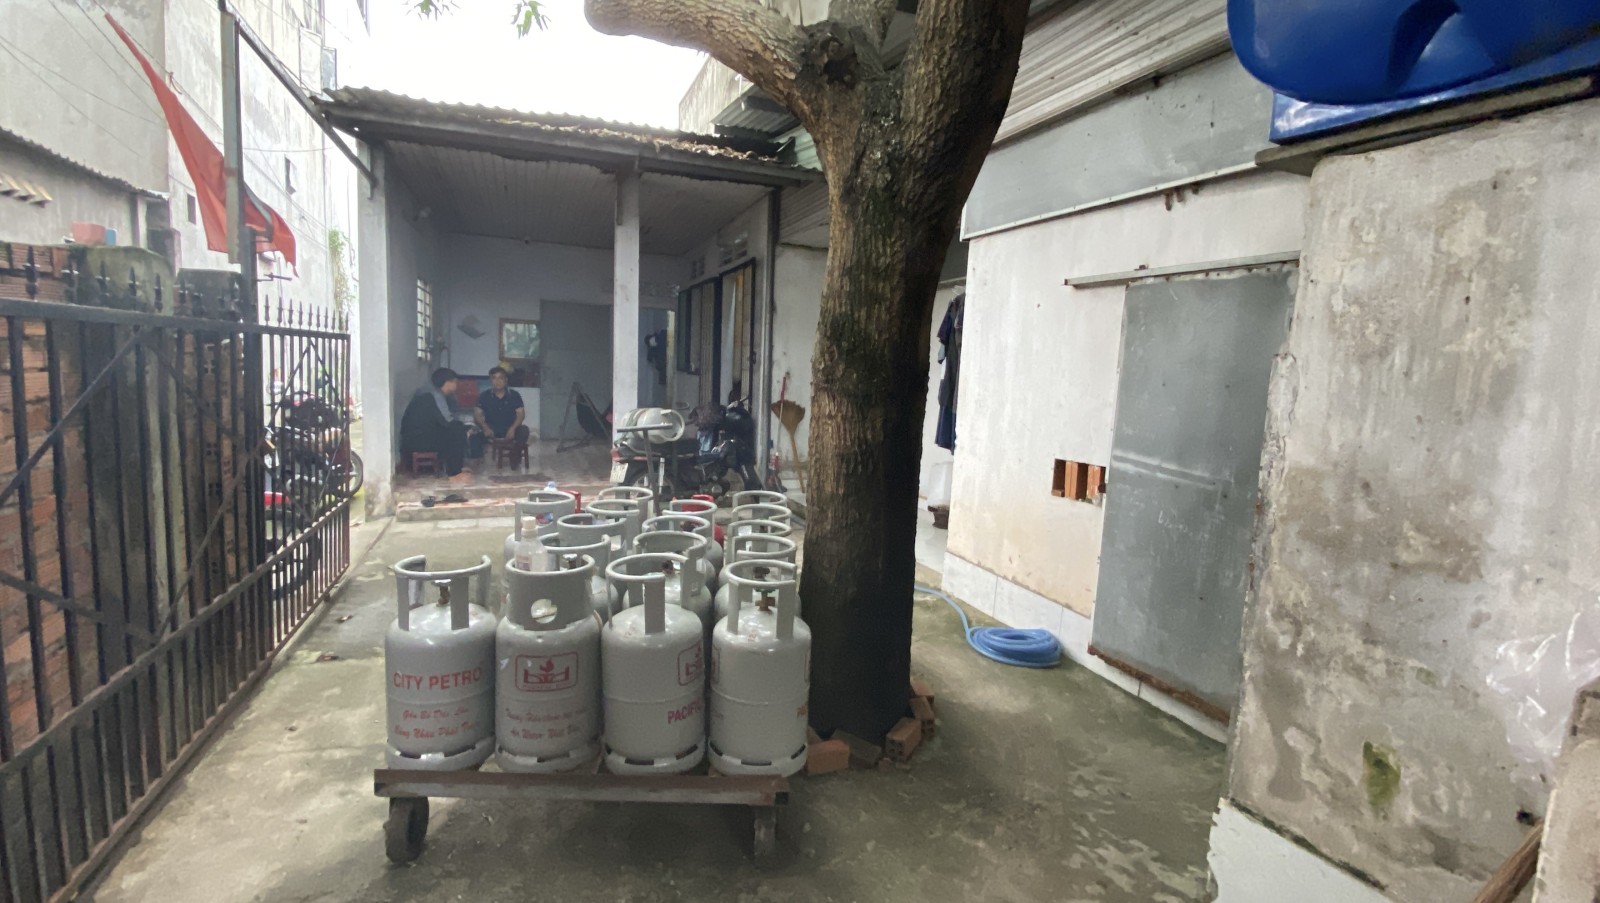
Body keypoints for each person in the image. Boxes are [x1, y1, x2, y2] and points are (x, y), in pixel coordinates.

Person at [400, 368, 470, 476]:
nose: (456, 386)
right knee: (457, 432)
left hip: (414, 438)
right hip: (417, 441)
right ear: (447, 382)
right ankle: (455, 473)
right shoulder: (435, 395)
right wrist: (465, 427)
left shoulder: (427, 391)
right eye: (455, 382)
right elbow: (447, 421)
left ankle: (456, 469)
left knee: (456, 430)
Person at [474, 366, 529, 445]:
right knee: (475, 436)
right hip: (491, 429)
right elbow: (477, 414)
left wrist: (513, 429)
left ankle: (514, 452)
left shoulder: (514, 395)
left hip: (510, 428)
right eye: (494, 378)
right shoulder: (484, 396)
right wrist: (485, 427)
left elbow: (521, 414)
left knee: (524, 431)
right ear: (490, 381)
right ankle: (483, 452)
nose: (498, 381)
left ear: (506, 380)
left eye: (501, 378)